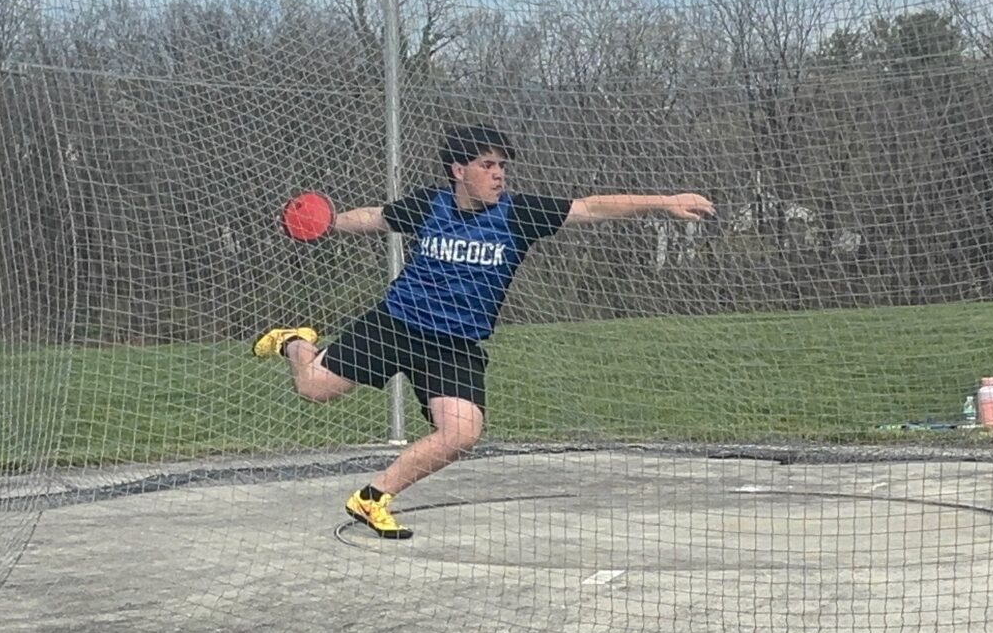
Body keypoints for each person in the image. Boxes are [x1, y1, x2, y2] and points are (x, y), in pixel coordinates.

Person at [256, 125, 714, 537]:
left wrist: (665, 202)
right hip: (396, 325)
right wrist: (330, 223)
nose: (499, 175)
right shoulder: (429, 204)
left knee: (462, 433)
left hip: (455, 344)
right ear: (459, 170)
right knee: (313, 388)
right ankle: (294, 342)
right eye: (487, 165)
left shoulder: (519, 214)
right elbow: (376, 217)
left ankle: (372, 498)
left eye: (502, 166)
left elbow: (590, 207)